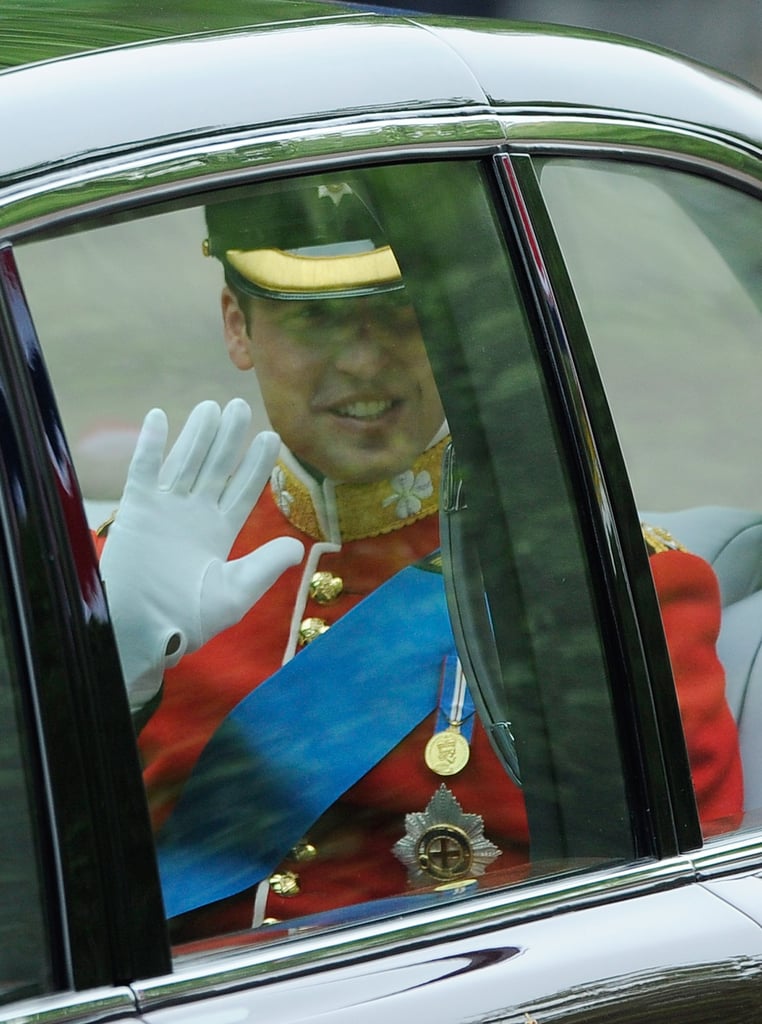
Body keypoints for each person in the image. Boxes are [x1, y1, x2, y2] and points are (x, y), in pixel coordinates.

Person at [98, 174, 743, 943]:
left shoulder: (600, 587)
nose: (365, 363)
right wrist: (116, 669)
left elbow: (681, 928)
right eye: (314, 320)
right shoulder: (124, 584)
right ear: (238, 326)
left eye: (400, 313)